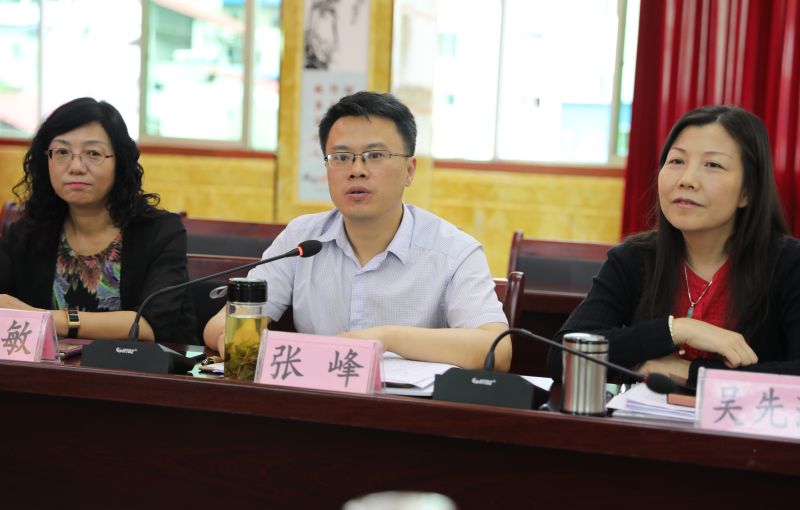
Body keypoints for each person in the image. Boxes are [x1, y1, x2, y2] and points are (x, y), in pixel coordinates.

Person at [204, 91, 511, 370]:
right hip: (317, 401)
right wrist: (240, 343)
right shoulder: (302, 239)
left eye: (375, 155)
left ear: (409, 170)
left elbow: (497, 350)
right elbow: (219, 327)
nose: (357, 170)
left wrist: (387, 338)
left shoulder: (453, 251)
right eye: (341, 157)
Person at [547, 105, 800, 386]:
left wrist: (691, 373)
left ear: (747, 192)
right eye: (677, 161)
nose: (687, 180)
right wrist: (676, 330)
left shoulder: (789, 264)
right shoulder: (633, 259)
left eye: (713, 165)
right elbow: (562, 358)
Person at [0, 97, 197, 343]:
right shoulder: (27, 233)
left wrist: (44, 319)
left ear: (120, 162)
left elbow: (147, 326)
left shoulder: (160, 231)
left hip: (139, 367)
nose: (76, 167)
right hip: (49, 368)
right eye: (61, 152)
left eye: (93, 153)